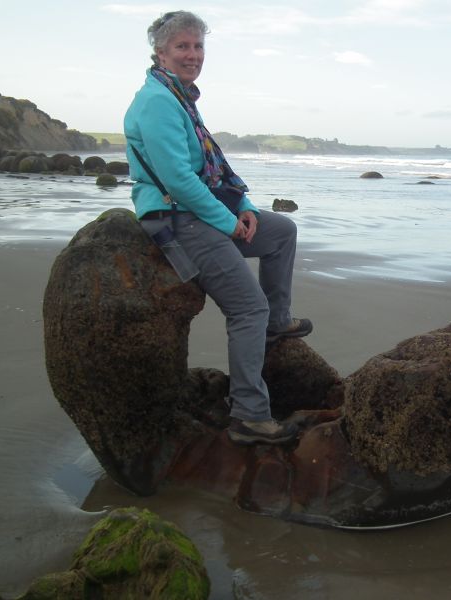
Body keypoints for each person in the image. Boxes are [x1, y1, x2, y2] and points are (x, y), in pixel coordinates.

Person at [124, 10, 311, 445]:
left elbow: (213, 167)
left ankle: (278, 322)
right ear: (161, 53)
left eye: (197, 46)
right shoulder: (155, 101)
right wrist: (228, 223)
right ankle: (249, 415)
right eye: (182, 47)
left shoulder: (182, 98)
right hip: (174, 216)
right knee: (247, 308)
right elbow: (178, 180)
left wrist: (243, 206)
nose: (193, 55)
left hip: (200, 208)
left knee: (280, 231)